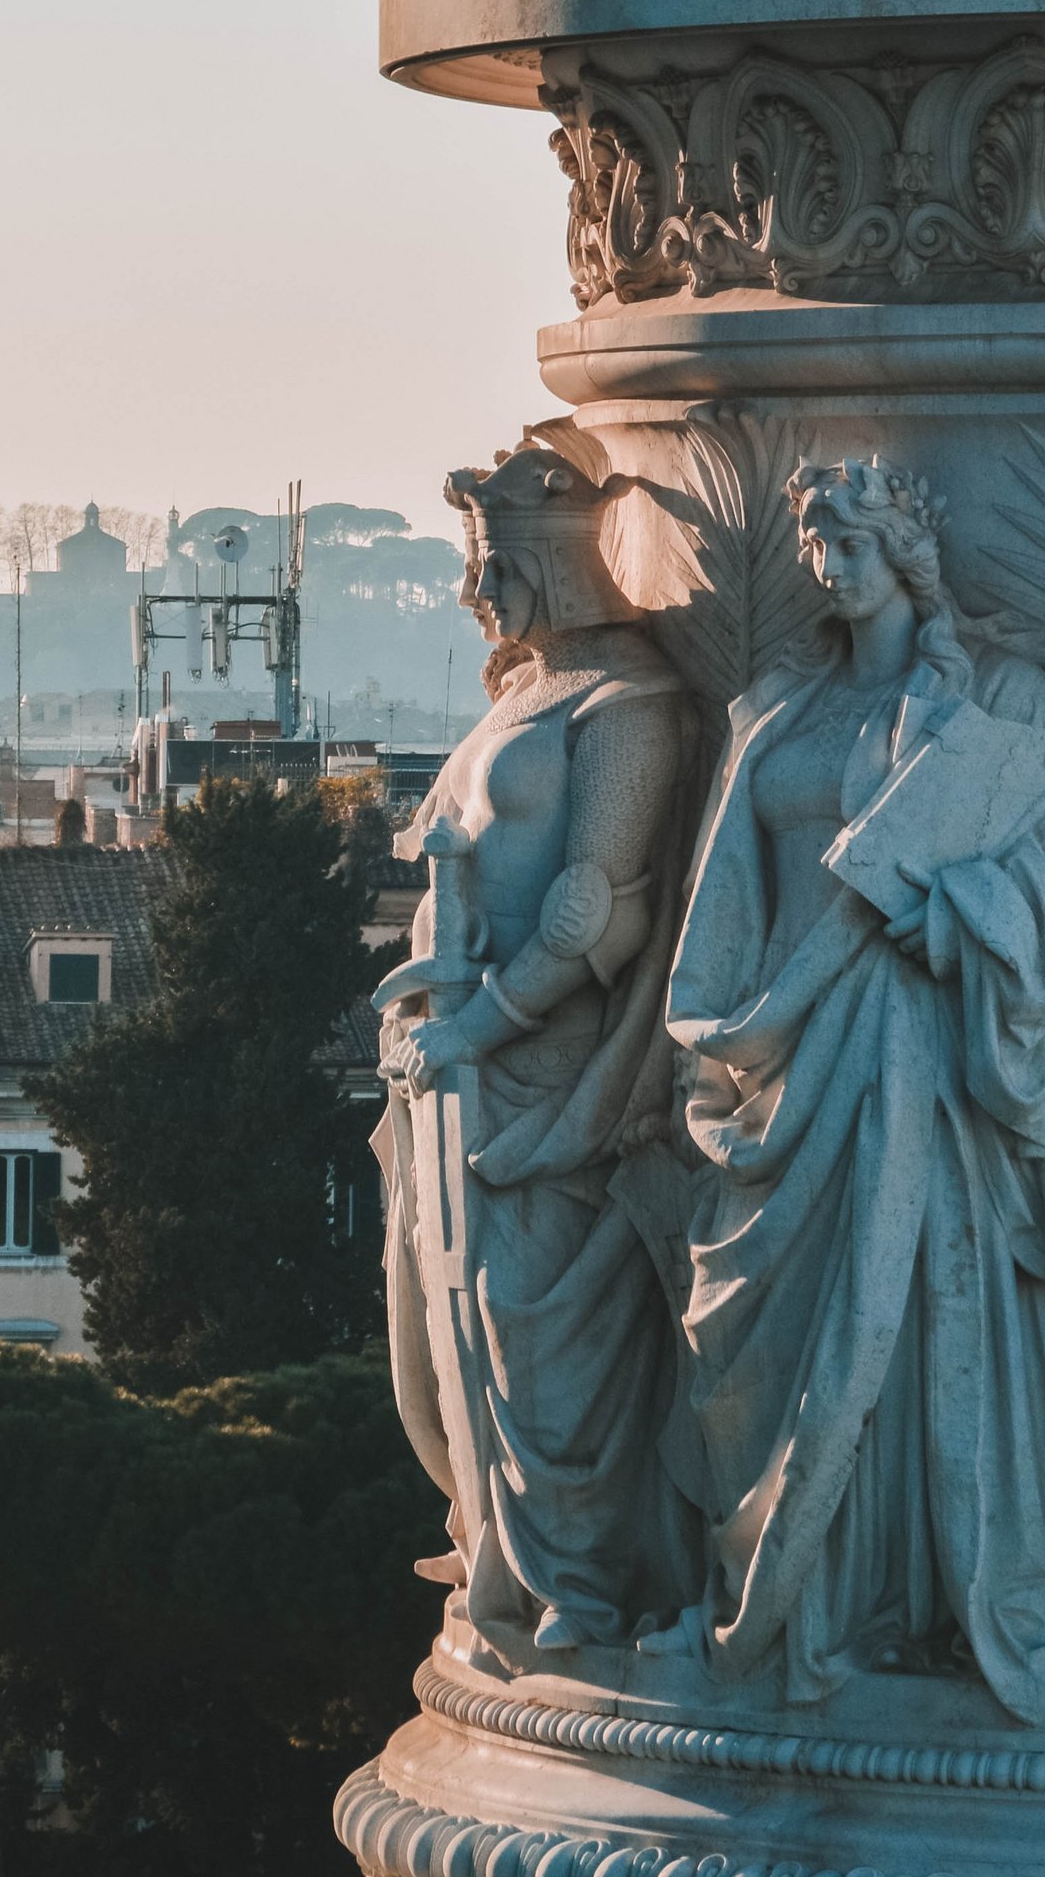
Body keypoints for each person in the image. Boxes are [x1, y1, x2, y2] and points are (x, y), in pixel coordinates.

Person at [654, 456, 1045, 1720]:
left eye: (850, 540)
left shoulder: (1005, 704)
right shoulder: (775, 711)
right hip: (782, 1069)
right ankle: (799, 1607)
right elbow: (722, 911)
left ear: (909, 551)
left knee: (922, 1326)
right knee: (784, 1346)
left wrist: (961, 919)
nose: (827, 563)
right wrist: (727, 1039)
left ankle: (919, 1605)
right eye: (813, 540)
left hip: (925, 1066)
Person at [377, 433, 696, 1660]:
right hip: (447, 1072)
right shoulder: (527, 695)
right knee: (436, 1338)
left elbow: (590, 913)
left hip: (542, 1082)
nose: (477, 594)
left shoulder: (633, 710)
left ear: (557, 565)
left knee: (532, 1335)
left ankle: (587, 1590)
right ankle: (495, 1552)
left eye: (495, 565)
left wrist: (478, 1025)